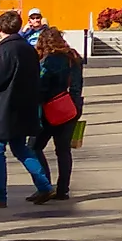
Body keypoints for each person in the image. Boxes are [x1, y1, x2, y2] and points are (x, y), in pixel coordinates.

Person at [0, 9, 53, 207]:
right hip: (22, 107)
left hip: (2, 108)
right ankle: (44, 186)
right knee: (20, 148)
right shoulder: (27, 48)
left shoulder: (5, 49)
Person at [33, 26, 86, 201]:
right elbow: (77, 85)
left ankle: (45, 186)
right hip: (71, 108)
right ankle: (63, 189)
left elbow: (43, 86)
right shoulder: (74, 57)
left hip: (51, 108)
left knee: (34, 147)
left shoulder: (49, 60)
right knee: (63, 150)